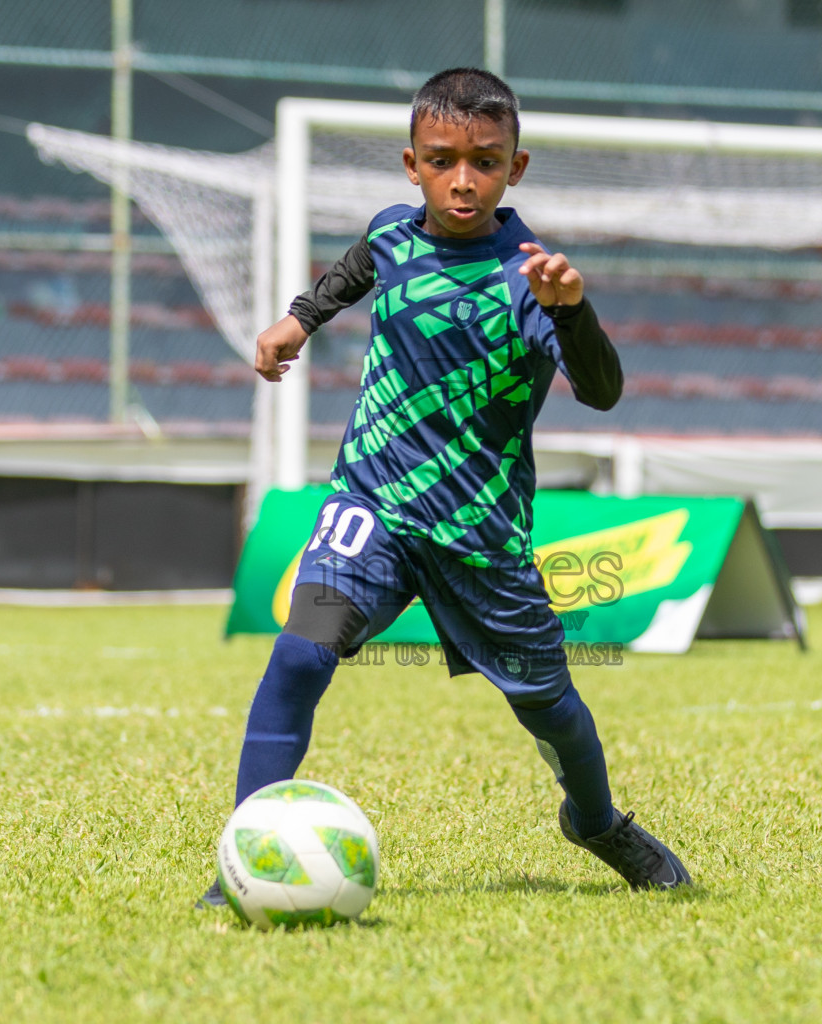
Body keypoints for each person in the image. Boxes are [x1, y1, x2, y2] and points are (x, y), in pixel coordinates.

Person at [201, 68, 689, 907]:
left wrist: (573, 310)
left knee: (552, 709)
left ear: (516, 168)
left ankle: (599, 821)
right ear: (412, 164)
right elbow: (359, 266)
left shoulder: (529, 279)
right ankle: (247, 859)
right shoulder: (393, 234)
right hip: (369, 515)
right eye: (443, 160)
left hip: (482, 543)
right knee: (298, 653)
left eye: (485, 162)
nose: (464, 180)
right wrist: (298, 319)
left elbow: (602, 390)